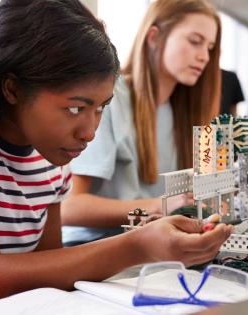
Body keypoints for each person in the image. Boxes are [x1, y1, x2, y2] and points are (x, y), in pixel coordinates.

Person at [0, 1, 231, 313]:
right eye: (75, 107)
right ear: (12, 88)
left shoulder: (48, 155)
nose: (89, 131)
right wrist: (138, 245)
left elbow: (48, 270)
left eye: (101, 108)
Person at [61, 0, 222, 246]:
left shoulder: (184, 112)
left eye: (210, 47)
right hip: (97, 251)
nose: (204, 57)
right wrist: (159, 205)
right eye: (194, 41)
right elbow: (69, 207)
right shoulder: (109, 99)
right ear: (154, 37)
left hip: (154, 250)